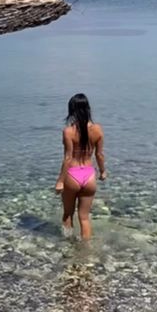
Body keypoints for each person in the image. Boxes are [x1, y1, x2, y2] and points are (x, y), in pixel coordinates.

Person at [55, 94, 106, 239]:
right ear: (88, 109)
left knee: (68, 214)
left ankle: (68, 245)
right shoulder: (98, 129)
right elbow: (99, 155)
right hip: (89, 175)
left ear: (71, 110)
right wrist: (102, 171)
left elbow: (68, 158)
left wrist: (60, 181)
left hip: (72, 174)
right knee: (84, 218)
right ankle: (86, 248)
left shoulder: (68, 132)